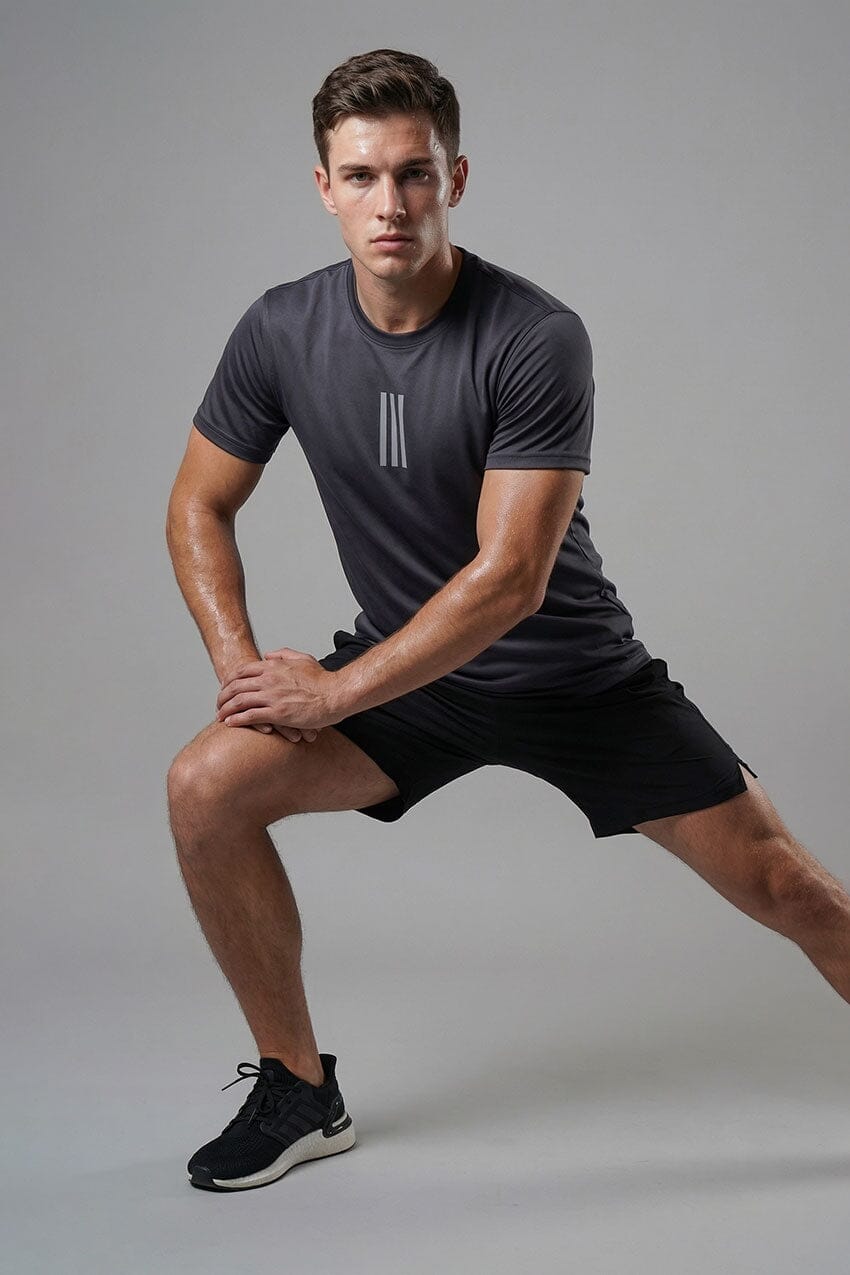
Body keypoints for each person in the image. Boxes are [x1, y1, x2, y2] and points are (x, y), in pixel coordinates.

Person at [166, 48, 850, 1193]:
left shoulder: (533, 334)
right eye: (362, 176)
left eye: (414, 173)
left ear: (456, 178)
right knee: (205, 788)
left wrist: (331, 692)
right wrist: (245, 677)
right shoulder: (281, 329)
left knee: (787, 886)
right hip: (411, 682)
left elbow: (510, 578)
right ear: (324, 187)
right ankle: (298, 1089)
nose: (390, 203)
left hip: (575, 680)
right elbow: (198, 502)